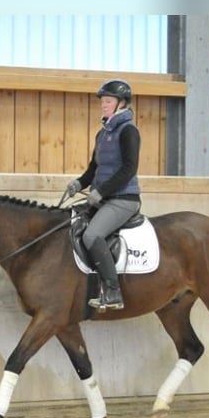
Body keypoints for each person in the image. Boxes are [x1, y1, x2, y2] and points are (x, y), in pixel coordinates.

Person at [65, 79, 142, 311]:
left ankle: (112, 291)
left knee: (91, 236)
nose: (103, 105)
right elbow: (93, 169)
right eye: (103, 101)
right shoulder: (103, 133)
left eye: (108, 101)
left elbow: (129, 169)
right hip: (103, 198)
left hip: (123, 200)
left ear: (121, 103)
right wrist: (79, 184)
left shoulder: (128, 131)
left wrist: (101, 191)